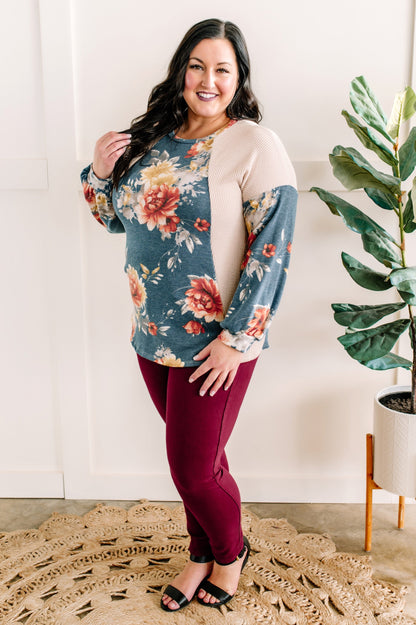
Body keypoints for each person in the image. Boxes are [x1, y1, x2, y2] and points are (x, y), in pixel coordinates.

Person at [81, 17, 297, 612]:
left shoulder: (255, 143)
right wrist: (99, 173)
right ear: (181, 71)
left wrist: (237, 338)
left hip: (217, 342)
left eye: (222, 69)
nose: (208, 79)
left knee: (193, 468)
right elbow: (114, 219)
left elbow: (272, 250)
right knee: (195, 463)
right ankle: (199, 553)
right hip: (151, 332)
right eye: (197, 65)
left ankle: (230, 555)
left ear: (238, 79)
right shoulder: (151, 137)